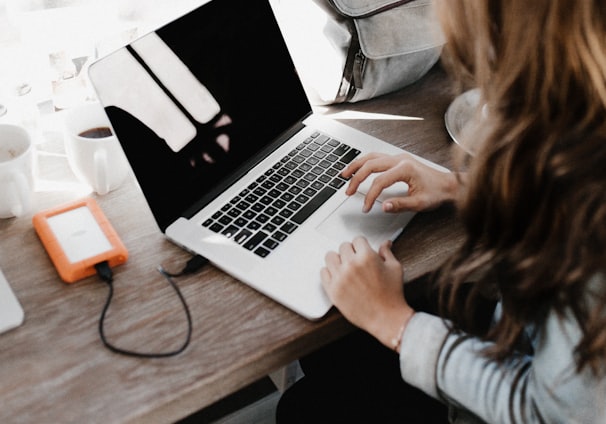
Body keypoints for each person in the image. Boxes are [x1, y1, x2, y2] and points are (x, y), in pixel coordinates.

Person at [276, 0, 606, 422]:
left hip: (522, 388)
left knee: (305, 409)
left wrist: (395, 323)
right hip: (529, 340)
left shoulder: (585, 206)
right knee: (333, 351)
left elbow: (548, 413)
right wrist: (461, 188)